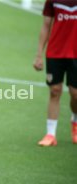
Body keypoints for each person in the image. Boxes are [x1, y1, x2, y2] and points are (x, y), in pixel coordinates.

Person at [33, 0, 77, 146]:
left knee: (75, 93)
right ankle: (50, 134)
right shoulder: (52, 1)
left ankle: (75, 122)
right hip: (55, 52)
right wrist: (39, 54)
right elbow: (46, 25)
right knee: (54, 91)